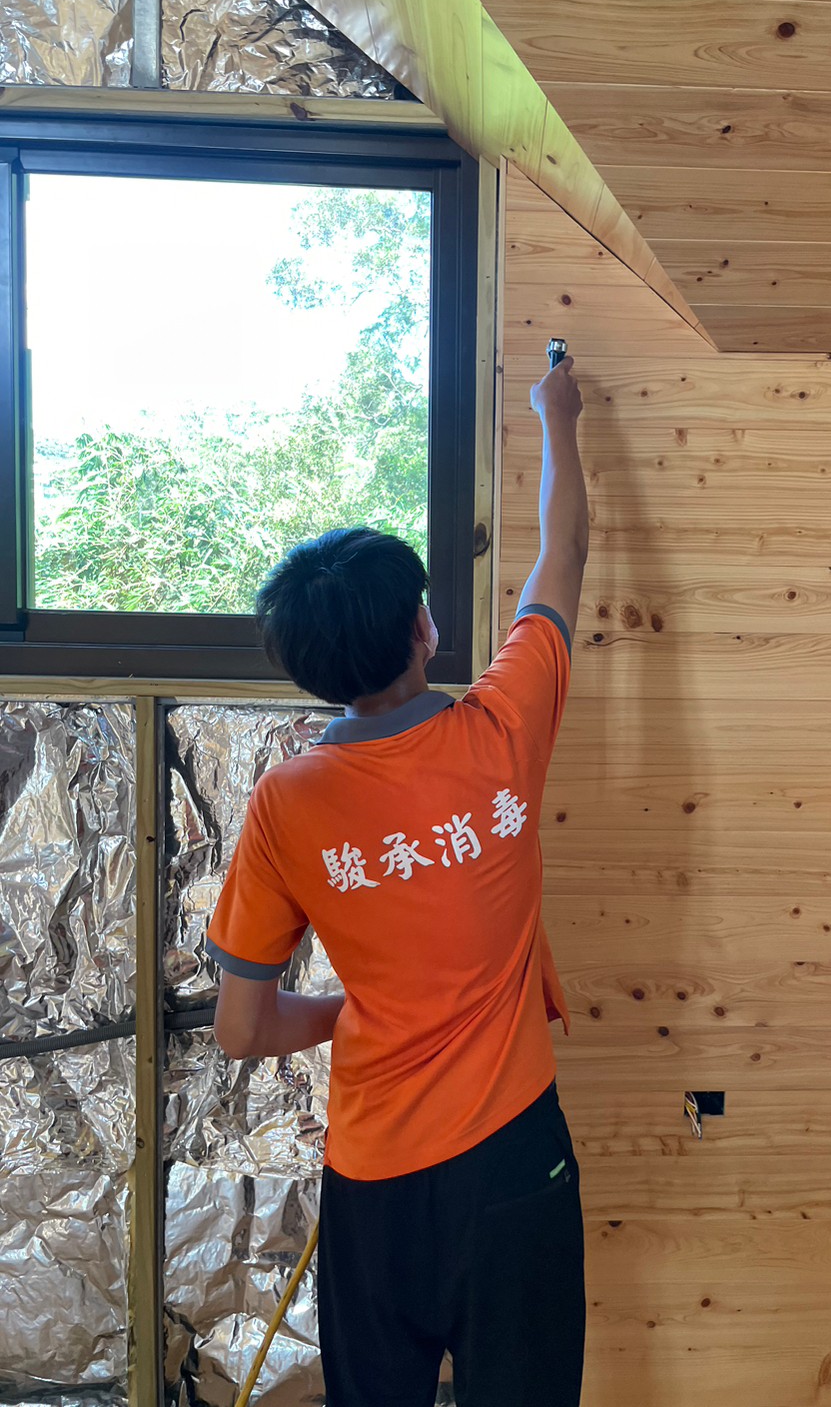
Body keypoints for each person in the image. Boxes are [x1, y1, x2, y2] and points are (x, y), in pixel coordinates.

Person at [206, 352, 589, 1407]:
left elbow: (241, 1028)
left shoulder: (287, 801)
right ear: (425, 629)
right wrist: (555, 414)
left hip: (374, 1183)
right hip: (512, 1164)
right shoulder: (501, 729)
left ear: (305, 671)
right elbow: (561, 558)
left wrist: (360, 1012)